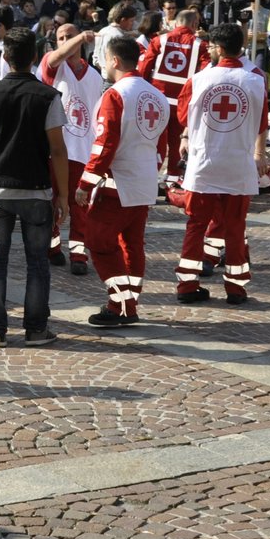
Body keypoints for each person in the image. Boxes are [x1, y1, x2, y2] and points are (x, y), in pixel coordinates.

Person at [0, 27, 67, 348]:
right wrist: (63, 194)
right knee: (37, 263)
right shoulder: (48, 96)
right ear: (34, 57)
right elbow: (58, 150)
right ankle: (36, 329)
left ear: (4, 57)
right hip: (36, 188)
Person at [74, 35, 168, 326]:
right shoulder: (156, 95)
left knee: (98, 240)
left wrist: (85, 183)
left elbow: (104, 144)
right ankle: (130, 301)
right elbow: (161, 144)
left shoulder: (116, 94)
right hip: (144, 180)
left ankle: (120, 305)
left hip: (118, 183)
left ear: (114, 60)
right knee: (132, 244)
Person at [172, 23, 267, 305]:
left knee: (196, 225)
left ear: (219, 48)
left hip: (204, 164)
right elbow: (261, 123)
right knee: (235, 228)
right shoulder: (256, 79)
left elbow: (182, 116)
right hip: (238, 164)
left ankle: (187, 286)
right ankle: (236, 289)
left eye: (211, 46)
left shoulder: (200, 79)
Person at [39, 22, 106, 274]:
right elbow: (56, 56)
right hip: (55, 148)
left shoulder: (95, 76)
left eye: (70, 35)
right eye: (61, 37)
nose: (66, 41)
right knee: (52, 200)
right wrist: (77, 39)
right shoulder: (52, 65)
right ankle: (53, 246)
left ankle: (78, 253)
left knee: (81, 204)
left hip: (82, 149)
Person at [137, 7, 208, 187]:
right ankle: (173, 181)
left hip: (157, 101)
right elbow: (207, 72)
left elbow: (144, 68)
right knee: (177, 142)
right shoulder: (201, 45)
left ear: (176, 23)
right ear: (194, 24)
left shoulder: (159, 40)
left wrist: (143, 90)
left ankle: (149, 179)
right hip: (183, 103)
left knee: (154, 141)